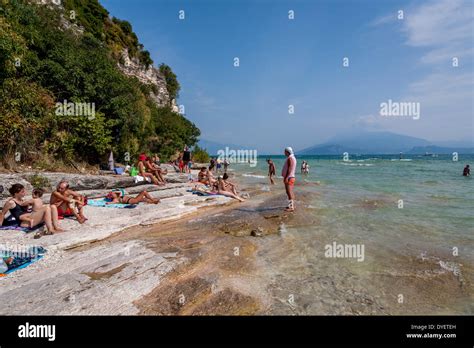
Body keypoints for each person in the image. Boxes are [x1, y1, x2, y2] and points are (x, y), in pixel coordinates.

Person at [282, 147, 297, 212]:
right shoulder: (293, 157)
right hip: (292, 177)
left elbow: (290, 169)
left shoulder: (290, 158)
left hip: (289, 177)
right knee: (289, 192)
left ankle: (291, 207)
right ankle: (291, 205)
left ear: (288, 152)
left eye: (285, 151)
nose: (284, 153)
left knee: (289, 192)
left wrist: (286, 177)